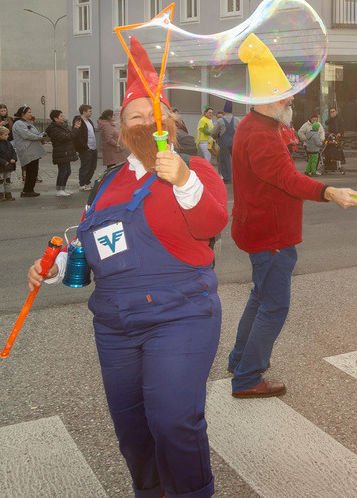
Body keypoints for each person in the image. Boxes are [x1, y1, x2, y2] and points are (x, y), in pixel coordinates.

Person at [28, 38, 228, 498]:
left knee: (173, 420)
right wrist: (54, 265)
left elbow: (212, 224)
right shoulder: (106, 183)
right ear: (119, 130)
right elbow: (91, 242)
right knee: (133, 431)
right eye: (134, 116)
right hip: (114, 324)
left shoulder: (196, 169)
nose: (145, 121)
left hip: (181, 313)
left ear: (171, 122)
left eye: (154, 113)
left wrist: (183, 180)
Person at [227, 40, 357, 398]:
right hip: (270, 234)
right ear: (269, 98)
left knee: (260, 297)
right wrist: (329, 191)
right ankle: (247, 377)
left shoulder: (255, 125)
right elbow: (288, 179)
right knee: (274, 307)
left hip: (257, 227)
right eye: (285, 95)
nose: (290, 101)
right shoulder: (262, 133)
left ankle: (240, 360)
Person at [12, 105, 46, 197]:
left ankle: (30, 189)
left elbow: (34, 132)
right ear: (23, 114)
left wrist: (40, 136)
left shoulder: (26, 122)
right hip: (27, 150)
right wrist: (39, 137)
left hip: (33, 151)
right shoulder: (19, 123)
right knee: (31, 171)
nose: (31, 114)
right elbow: (26, 135)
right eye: (29, 112)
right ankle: (27, 190)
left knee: (33, 171)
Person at [44, 109, 78, 196]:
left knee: (68, 171)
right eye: (61, 116)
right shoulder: (54, 129)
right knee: (63, 171)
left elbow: (69, 135)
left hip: (65, 151)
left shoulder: (62, 126)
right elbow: (66, 137)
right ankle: (59, 190)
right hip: (61, 152)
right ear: (55, 118)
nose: (63, 118)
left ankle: (63, 188)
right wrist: (75, 129)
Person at [0, 124, 18, 201]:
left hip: (8, 165)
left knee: (7, 179)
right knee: (0, 180)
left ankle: (8, 193)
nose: (7, 136)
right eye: (5, 135)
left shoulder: (7, 143)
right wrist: (3, 162)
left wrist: (13, 158)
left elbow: (13, 152)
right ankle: (0, 194)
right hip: (0, 166)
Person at [210, 102, 236, 182]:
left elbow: (212, 133)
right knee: (236, 161)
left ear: (224, 111)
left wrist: (216, 136)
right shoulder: (237, 120)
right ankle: (236, 177)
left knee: (225, 160)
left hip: (224, 142)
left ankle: (227, 178)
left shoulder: (220, 121)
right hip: (235, 142)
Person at [75, 104, 98, 190]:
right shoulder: (79, 120)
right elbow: (79, 136)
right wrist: (85, 147)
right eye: (89, 111)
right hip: (85, 149)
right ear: (84, 112)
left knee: (92, 166)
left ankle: (87, 181)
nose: (91, 113)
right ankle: (82, 184)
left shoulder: (89, 121)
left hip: (93, 147)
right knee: (85, 166)